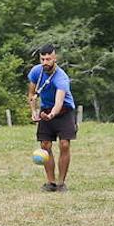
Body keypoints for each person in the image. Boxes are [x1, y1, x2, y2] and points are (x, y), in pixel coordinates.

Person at [27, 44, 76, 191]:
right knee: (45, 145)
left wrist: (52, 115)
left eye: (48, 59)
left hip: (63, 111)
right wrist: (34, 112)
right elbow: (31, 94)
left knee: (64, 144)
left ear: (55, 58)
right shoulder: (36, 72)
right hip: (45, 109)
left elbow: (59, 102)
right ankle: (51, 182)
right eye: (42, 59)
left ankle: (61, 183)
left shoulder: (61, 77)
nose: (45, 62)